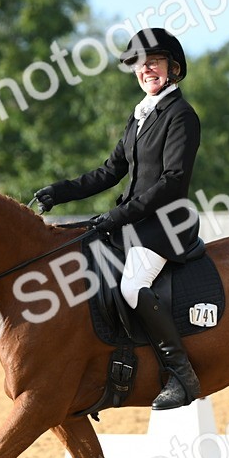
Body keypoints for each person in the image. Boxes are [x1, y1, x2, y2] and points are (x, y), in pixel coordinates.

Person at [34, 28, 201, 410]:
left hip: (165, 225)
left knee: (132, 285)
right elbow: (110, 171)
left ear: (173, 68)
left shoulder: (181, 116)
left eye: (155, 63)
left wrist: (117, 215)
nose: (147, 70)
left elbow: (172, 182)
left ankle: (181, 374)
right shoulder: (141, 114)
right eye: (141, 65)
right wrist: (60, 191)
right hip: (132, 223)